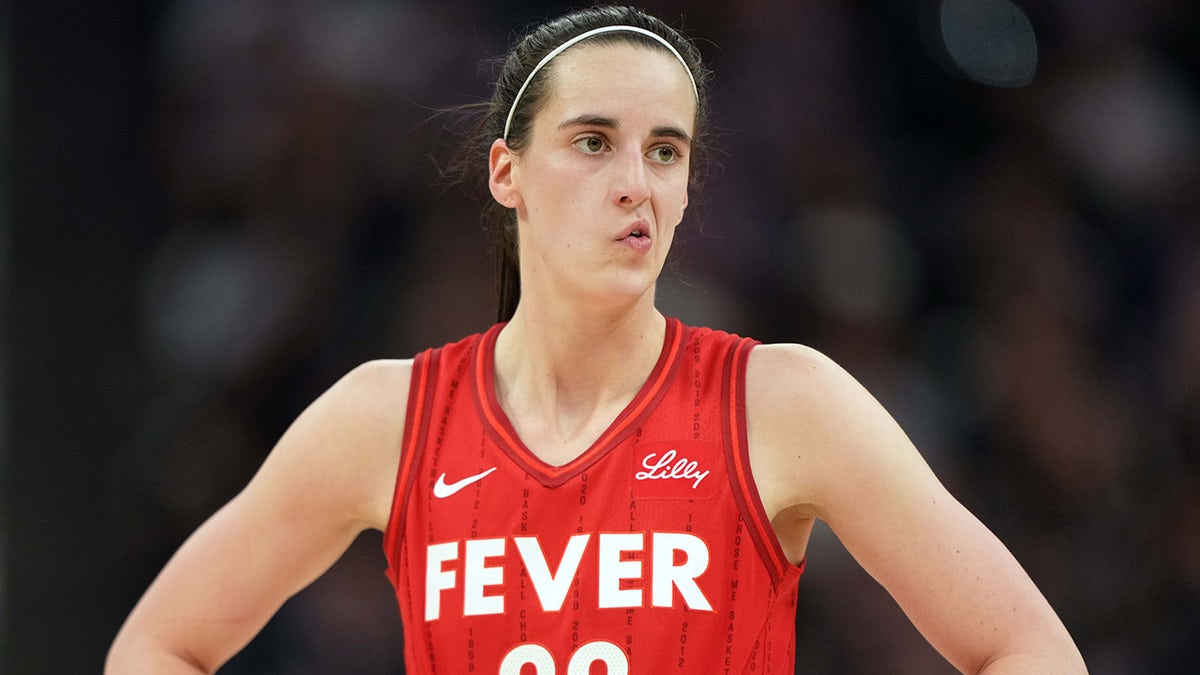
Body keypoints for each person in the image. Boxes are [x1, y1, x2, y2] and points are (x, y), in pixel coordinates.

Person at [107, 5, 1087, 673]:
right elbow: (158, 646)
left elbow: (1030, 650)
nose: (635, 182)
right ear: (506, 173)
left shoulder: (782, 401)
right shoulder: (387, 416)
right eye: (592, 142)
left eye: (667, 151)